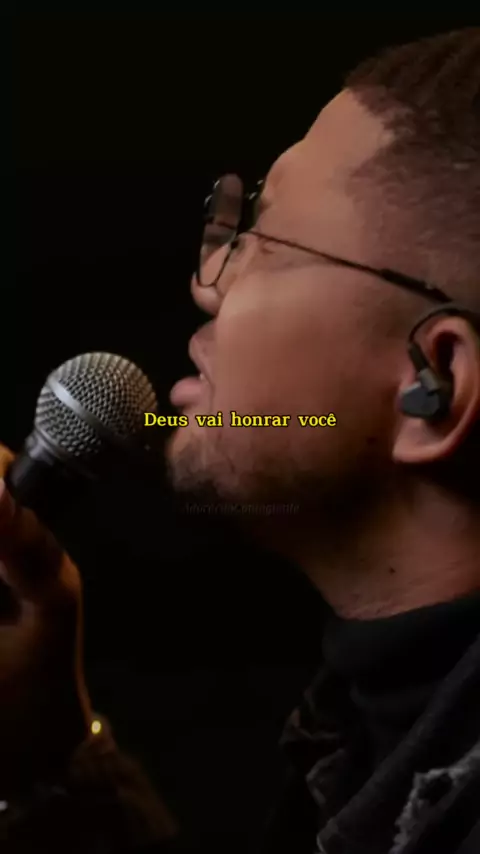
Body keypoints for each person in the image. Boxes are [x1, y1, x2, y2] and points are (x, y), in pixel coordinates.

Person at [2, 25, 480, 854]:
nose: (208, 283)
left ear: (431, 384)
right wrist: (51, 756)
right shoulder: (356, 735)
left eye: (266, 237)